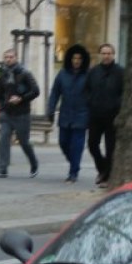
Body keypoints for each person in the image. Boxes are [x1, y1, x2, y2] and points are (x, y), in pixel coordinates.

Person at [0, 48, 40, 179]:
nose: (8, 59)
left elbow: (35, 91)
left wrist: (21, 98)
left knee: (24, 142)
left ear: (16, 58)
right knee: (3, 140)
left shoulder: (25, 73)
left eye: (11, 57)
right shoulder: (2, 74)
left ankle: (34, 163)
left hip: (22, 114)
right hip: (7, 113)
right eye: (6, 57)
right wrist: (1, 107)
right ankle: (2, 169)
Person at [46, 44, 91, 183]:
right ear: (69, 59)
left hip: (82, 114)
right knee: (63, 142)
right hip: (65, 114)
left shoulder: (88, 75)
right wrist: (51, 109)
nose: (76, 61)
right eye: (74, 58)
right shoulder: (62, 74)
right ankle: (74, 163)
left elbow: (94, 94)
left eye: (79, 58)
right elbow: (55, 93)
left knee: (77, 145)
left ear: (83, 60)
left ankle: (73, 172)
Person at [85, 42, 125, 187]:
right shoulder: (93, 72)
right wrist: (90, 102)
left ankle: (106, 177)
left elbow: (124, 93)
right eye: (104, 53)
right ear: (99, 55)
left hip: (112, 116)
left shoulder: (120, 72)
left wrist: (118, 106)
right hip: (95, 115)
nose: (106, 56)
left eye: (109, 53)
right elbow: (86, 90)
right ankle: (102, 169)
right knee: (92, 144)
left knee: (111, 148)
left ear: (113, 55)